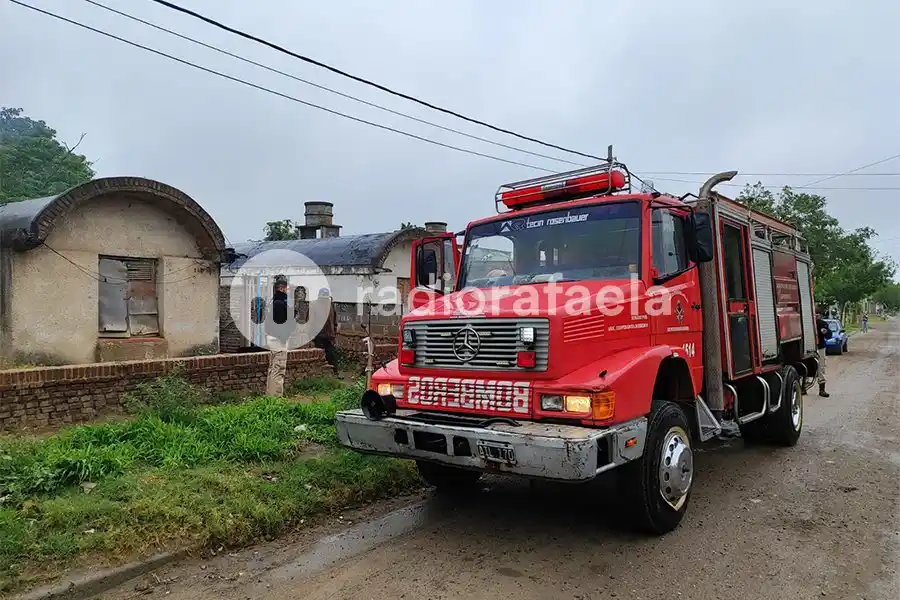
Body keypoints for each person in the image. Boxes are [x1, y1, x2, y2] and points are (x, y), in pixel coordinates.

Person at [265, 275, 292, 396]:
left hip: (271, 338)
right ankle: (275, 399)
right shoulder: (281, 303)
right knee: (279, 370)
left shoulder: (271, 302)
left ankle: (269, 395)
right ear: (282, 288)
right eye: (287, 288)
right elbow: (284, 323)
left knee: (272, 369)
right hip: (279, 340)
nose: (288, 291)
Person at [311, 287, 339, 376]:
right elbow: (310, 321)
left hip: (329, 335)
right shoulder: (313, 305)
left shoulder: (331, 305)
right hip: (318, 335)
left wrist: (334, 331)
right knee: (318, 355)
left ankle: (335, 373)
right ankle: (318, 374)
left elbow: (334, 320)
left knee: (332, 354)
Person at [815, 308, 830, 398]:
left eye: (818, 314)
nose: (816, 315)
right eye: (815, 313)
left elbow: (829, 335)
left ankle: (822, 389)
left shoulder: (822, 323)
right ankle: (803, 387)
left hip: (820, 347)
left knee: (821, 367)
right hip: (807, 347)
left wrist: (825, 332)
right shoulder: (805, 322)